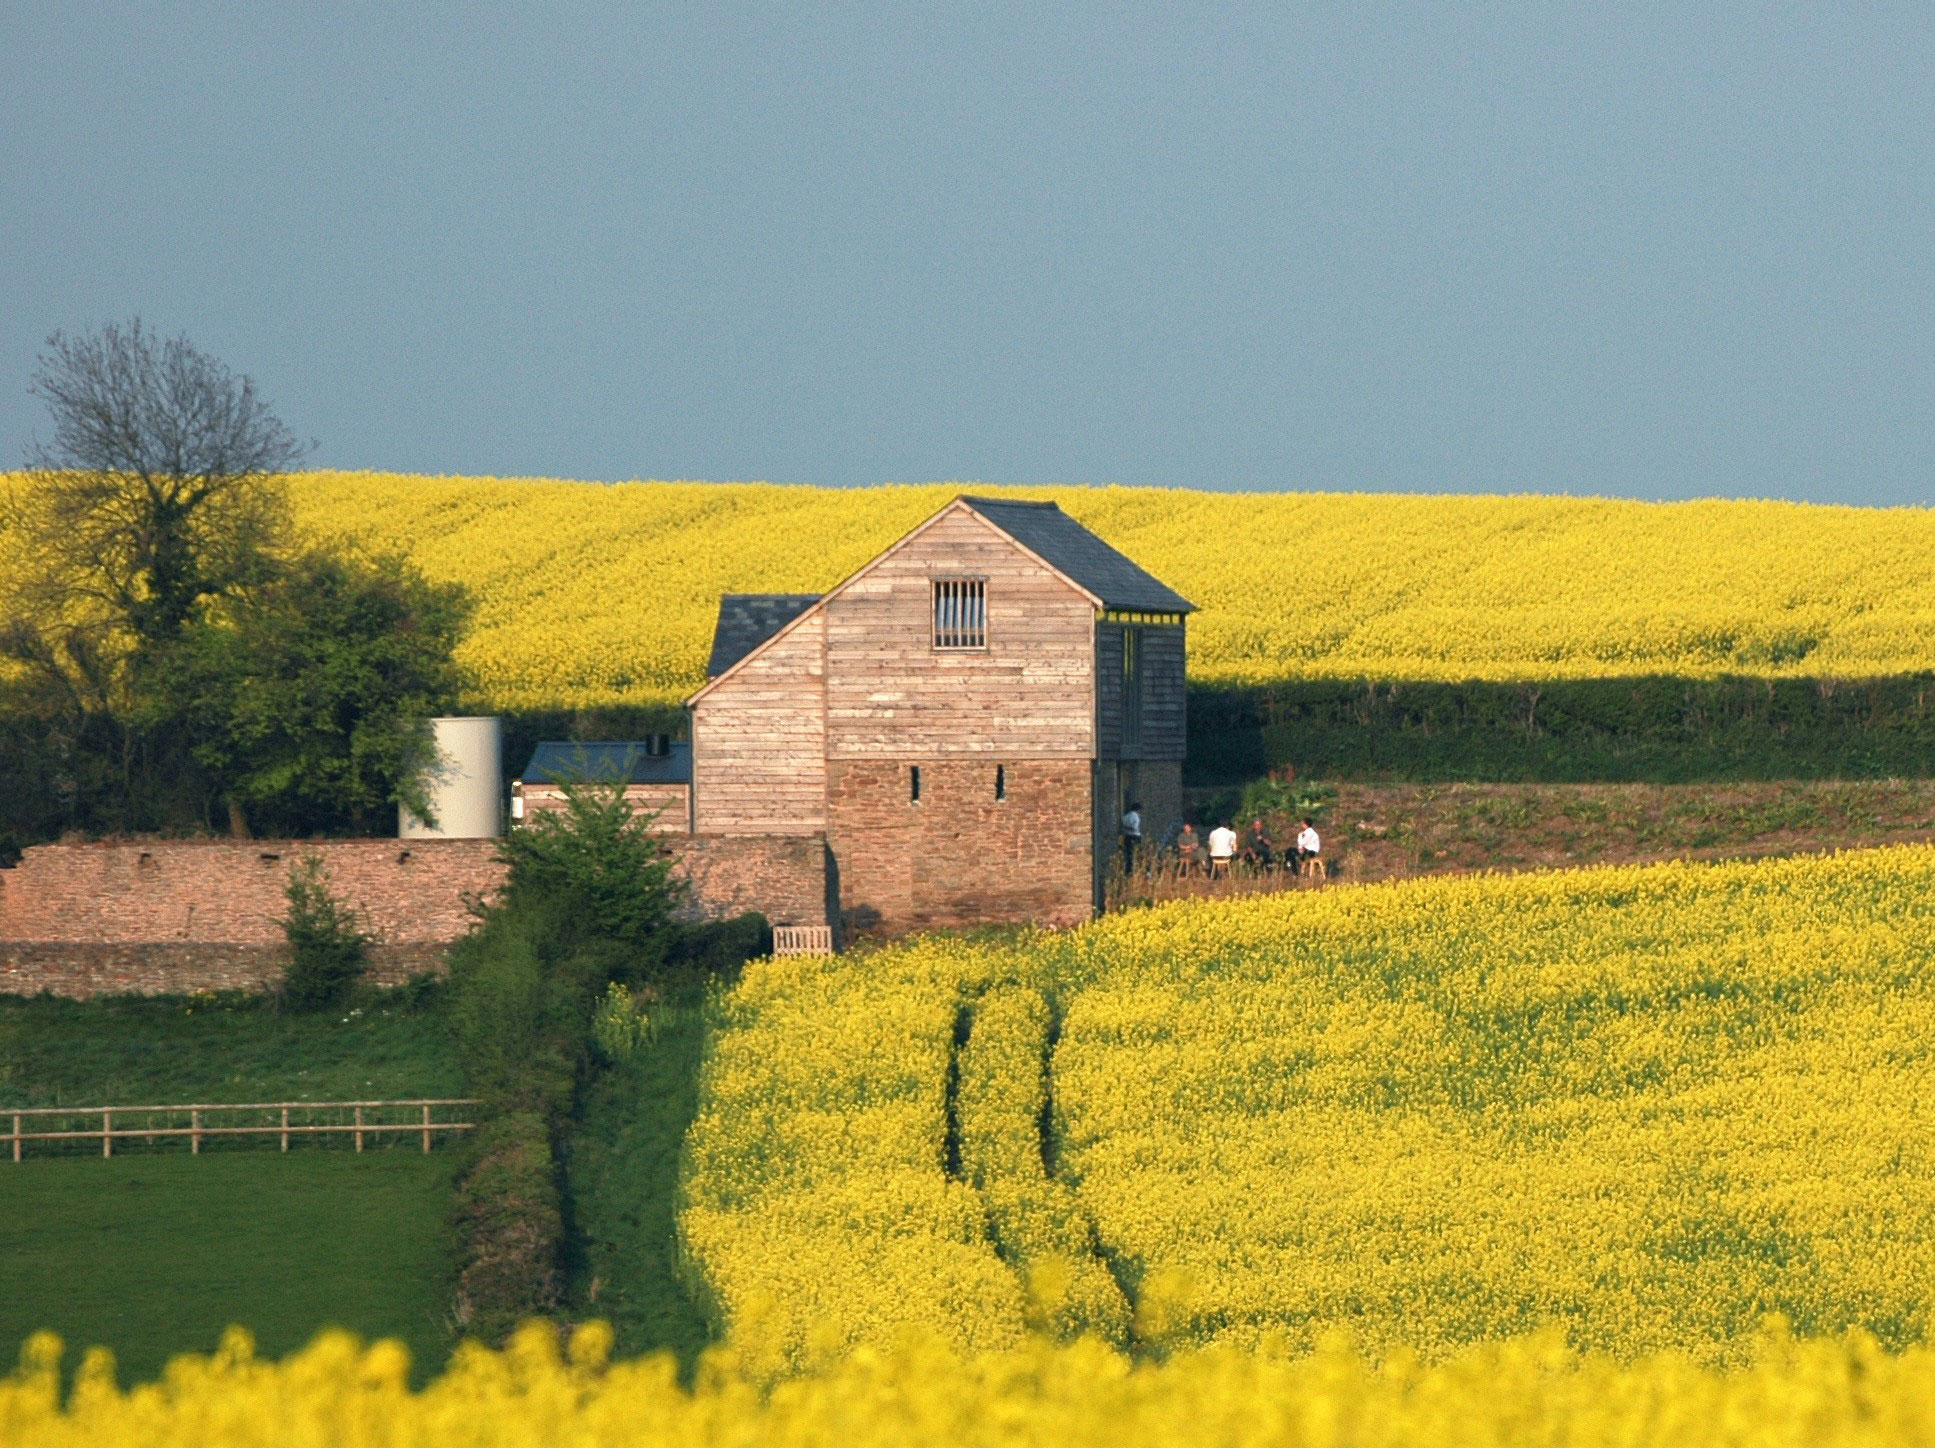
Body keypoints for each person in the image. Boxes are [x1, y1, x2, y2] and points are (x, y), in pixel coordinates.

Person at [1120, 800, 1143, 875]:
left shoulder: (1125, 816)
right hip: (1135, 837)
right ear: (1138, 809)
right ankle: (1133, 870)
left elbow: (1122, 825)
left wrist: (1125, 828)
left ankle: (1128, 869)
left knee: (1128, 853)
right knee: (1136, 854)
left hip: (1127, 837)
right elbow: (1134, 828)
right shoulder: (1136, 817)